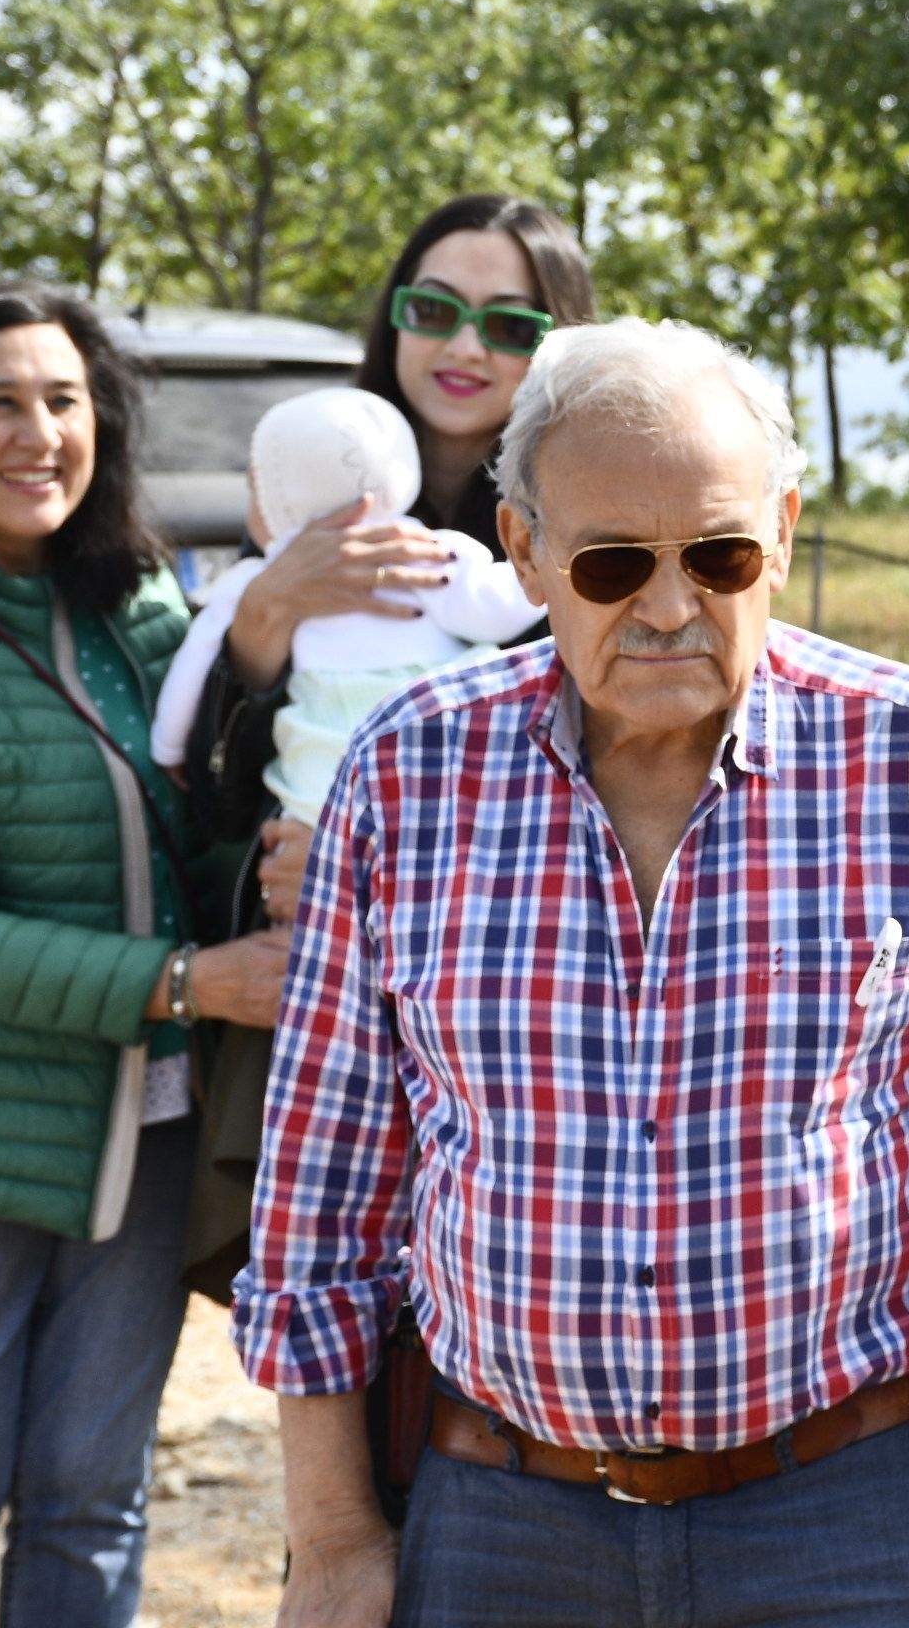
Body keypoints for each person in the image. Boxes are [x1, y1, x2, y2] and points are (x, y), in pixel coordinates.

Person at [233, 317, 909, 1628]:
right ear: (524, 550)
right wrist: (338, 1534)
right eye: (610, 563)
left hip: (849, 1509)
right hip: (500, 1513)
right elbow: (323, 1200)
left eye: (719, 554)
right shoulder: (404, 777)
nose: (667, 605)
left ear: (786, 535)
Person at [0, 280, 289, 1628]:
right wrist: (189, 985)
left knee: (91, 1500)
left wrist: (262, 873)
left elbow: (193, 847)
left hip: (154, 1134)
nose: (39, 432)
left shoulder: (143, 611)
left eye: (63, 400)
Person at [176, 191, 590, 1297]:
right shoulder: (297, 495)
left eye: (513, 324)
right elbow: (204, 806)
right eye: (436, 306)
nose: (465, 345)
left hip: (527, 1026)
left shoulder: (589, 525)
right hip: (321, 1023)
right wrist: (266, 617)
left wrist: (381, 866)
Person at [150, 388, 543, 819]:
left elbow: (191, 669)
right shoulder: (429, 550)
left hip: (320, 779)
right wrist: (547, 563)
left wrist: (169, 746)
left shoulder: (251, 579)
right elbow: (500, 608)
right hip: (439, 763)